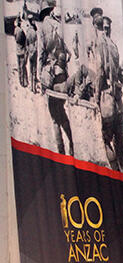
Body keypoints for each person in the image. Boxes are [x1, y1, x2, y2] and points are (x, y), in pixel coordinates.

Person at [95, 15, 123, 173]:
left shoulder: (100, 44)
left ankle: (116, 178)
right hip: (119, 101)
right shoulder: (115, 47)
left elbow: (99, 71)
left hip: (107, 98)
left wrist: (96, 98)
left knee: (107, 141)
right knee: (120, 146)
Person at [37, 0, 74, 155]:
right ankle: (72, 144)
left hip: (50, 77)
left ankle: (61, 152)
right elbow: (69, 53)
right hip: (62, 76)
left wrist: (40, 76)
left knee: (54, 118)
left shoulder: (42, 28)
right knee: (62, 112)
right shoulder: (59, 26)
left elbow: (41, 54)